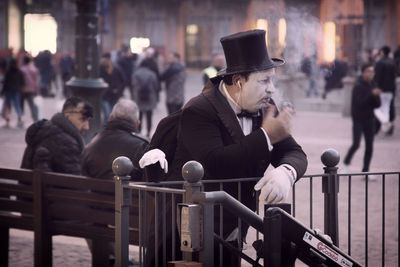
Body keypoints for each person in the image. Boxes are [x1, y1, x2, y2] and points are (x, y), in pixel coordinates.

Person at [167, 30, 307, 265]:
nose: (271, 89)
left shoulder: (264, 106)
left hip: (235, 223)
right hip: (190, 227)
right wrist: (265, 136)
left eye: (272, 80)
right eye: (264, 81)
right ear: (238, 82)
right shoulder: (199, 110)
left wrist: (286, 173)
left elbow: (295, 153)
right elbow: (216, 162)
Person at [20, 96, 93, 175]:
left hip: (29, 185)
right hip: (44, 187)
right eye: (82, 119)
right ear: (68, 116)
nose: (87, 127)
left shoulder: (44, 130)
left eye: (88, 121)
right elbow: (76, 182)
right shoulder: (66, 142)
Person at [81, 98, 148, 180]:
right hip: (127, 193)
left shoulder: (93, 142)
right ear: (137, 124)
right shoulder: (143, 146)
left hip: (96, 191)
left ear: (111, 117)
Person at [343, 63, 381, 174]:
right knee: (356, 144)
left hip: (370, 119)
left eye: (372, 72)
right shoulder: (358, 86)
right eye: (369, 71)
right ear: (363, 73)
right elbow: (359, 103)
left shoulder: (374, 85)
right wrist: (371, 94)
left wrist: (375, 96)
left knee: (370, 146)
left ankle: (365, 170)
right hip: (358, 120)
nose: (371, 74)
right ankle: (346, 163)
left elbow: (377, 105)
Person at [132, 58, 159, 137]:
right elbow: (156, 86)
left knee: (139, 116)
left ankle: (139, 132)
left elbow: (133, 84)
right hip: (150, 97)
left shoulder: (136, 73)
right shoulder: (152, 74)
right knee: (149, 116)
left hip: (139, 97)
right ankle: (148, 132)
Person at [374, 45, 397, 135]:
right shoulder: (392, 62)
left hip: (381, 90)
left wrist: (376, 87)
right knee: (386, 109)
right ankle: (386, 128)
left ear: (382, 52)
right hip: (390, 90)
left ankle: (385, 123)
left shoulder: (380, 63)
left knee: (376, 109)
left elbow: (377, 77)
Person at [100, 52, 126, 122]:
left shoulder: (117, 69)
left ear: (108, 60)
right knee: (107, 114)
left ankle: (110, 129)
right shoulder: (101, 69)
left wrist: (119, 91)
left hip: (114, 95)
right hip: (104, 96)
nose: (103, 63)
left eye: (104, 61)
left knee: (113, 114)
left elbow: (123, 80)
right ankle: (106, 130)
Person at [1, 58, 25, 128]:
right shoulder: (19, 71)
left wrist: (2, 92)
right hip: (17, 91)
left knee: (8, 107)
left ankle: (7, 121)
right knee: (17, 106)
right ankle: (21, 119)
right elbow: (22, 82)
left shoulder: (8, 72)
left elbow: (5, 83)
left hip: (8, 91)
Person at [20, 55, 40, 123]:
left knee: (21, 105)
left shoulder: (21, 69)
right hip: (31, 90)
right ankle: (35, 119)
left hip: (22, 90)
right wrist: (37, 91)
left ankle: (20, 119)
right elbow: (36, 81)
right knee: (32, 105)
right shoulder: (34, 69)